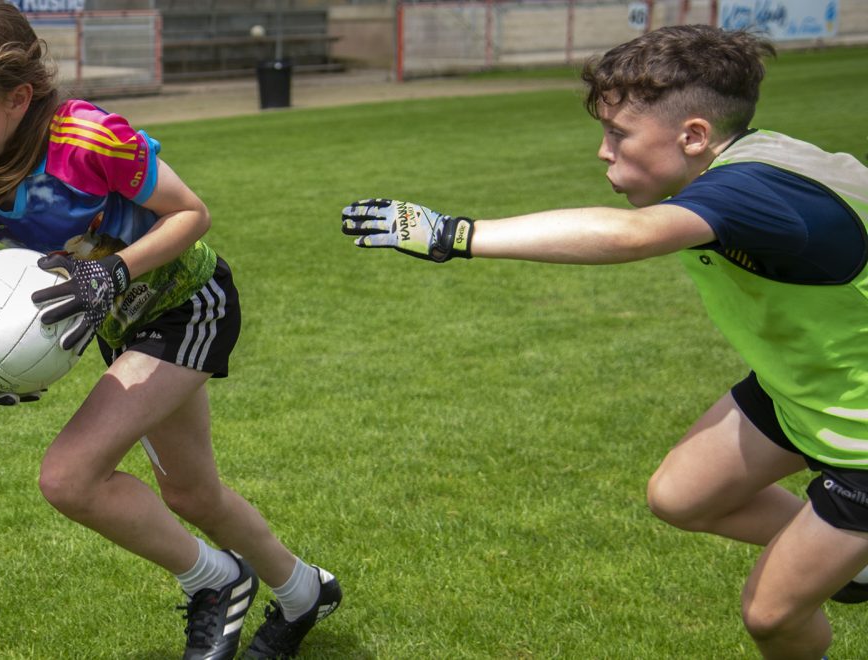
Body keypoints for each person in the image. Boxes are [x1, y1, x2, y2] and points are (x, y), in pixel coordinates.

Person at [341, 24, 868, 659]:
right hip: (808, 389)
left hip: (859, 433)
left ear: (694, 135)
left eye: (618, 135)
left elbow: (630, 236)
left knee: (771, 616)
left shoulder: (756, 193)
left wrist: (454, 233)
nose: (603, 152)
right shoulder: (749, 162)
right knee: (680, 496)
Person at [0, 1, 340, 658]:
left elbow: (192, 214)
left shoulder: (88, 140)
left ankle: (215, 581)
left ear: (18, 97)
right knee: (192, 492)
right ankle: (307, 592)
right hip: (124, 326)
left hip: (187, 305)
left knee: (68, 477)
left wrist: (113, 271)